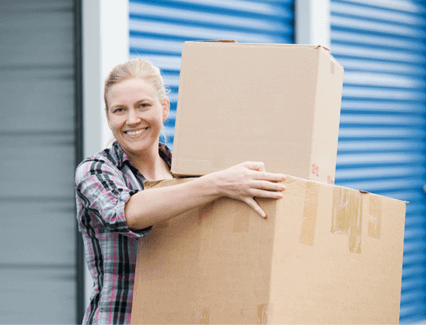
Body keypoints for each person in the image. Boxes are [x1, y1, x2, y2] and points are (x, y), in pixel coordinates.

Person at [74, 58, 286, 325]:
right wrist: (220, 184)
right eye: (119, 110)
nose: (132, 119)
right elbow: (127, 213)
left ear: (164, 108)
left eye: (143, 105)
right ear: (108, 117)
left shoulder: (185, 173)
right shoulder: (95, 171)